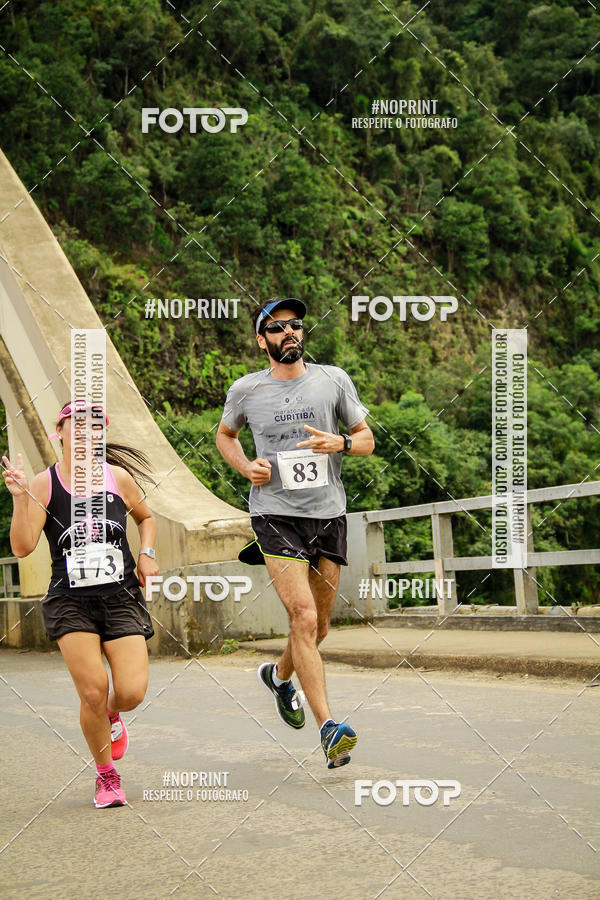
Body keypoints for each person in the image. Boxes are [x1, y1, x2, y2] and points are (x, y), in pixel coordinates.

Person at [216, 298, 374, 768]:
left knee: (319, 626)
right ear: (260, 339)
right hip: (274, 514)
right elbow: (225, 435)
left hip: (328, 514)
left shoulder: (333, 380)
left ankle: (280, 677)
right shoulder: (246, 390)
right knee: (302, 616)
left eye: (295, 326)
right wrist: (246, 466)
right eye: (277, 328)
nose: (289, 333)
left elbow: (365, 439)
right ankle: (329, 728)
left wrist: (339, 442)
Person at [2, 400, 158, 808]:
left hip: (120, 596)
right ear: (61, 430)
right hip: (69, 600)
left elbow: (147, 518)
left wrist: (147, 552)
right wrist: (20, 499)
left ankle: (111, 715)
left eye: (95, 426)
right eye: (78, 424)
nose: (87, 432)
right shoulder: (44, 484)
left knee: (131, 691)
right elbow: (21, 547)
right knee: (93, 691)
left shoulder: (117, 478)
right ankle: (107, 776)